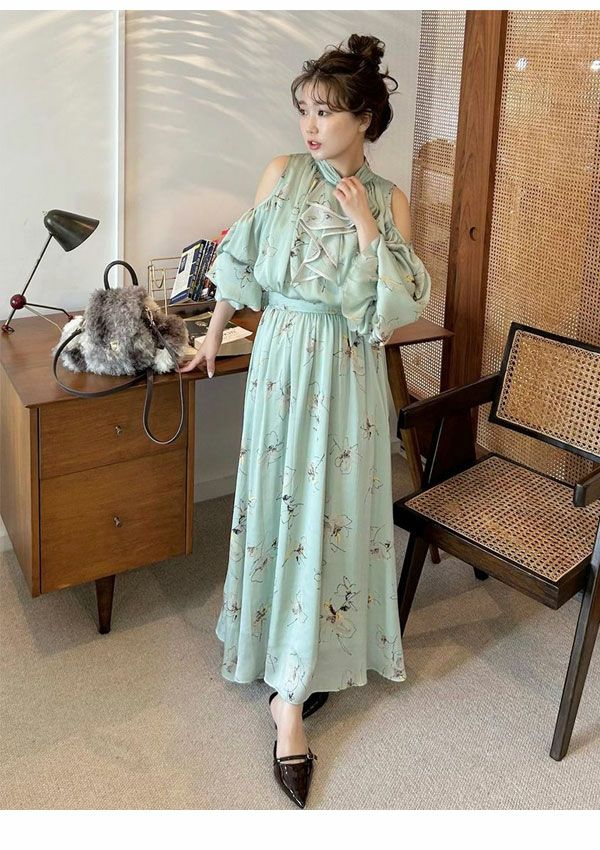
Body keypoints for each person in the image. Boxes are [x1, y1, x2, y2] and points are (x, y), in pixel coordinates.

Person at [181, 33, 432, 809]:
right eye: (305, 110)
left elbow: (394, 307)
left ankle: (298, 681)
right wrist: (212, 337)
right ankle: (279, 661)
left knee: (334, 508)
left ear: (365, 119)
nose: (311, 126)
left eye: (326, 111)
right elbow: (240, 260)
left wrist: (364, 227)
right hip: (281, 355)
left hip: (347, 367)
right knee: (280, 499)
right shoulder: (281, 174)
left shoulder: (388, 198)